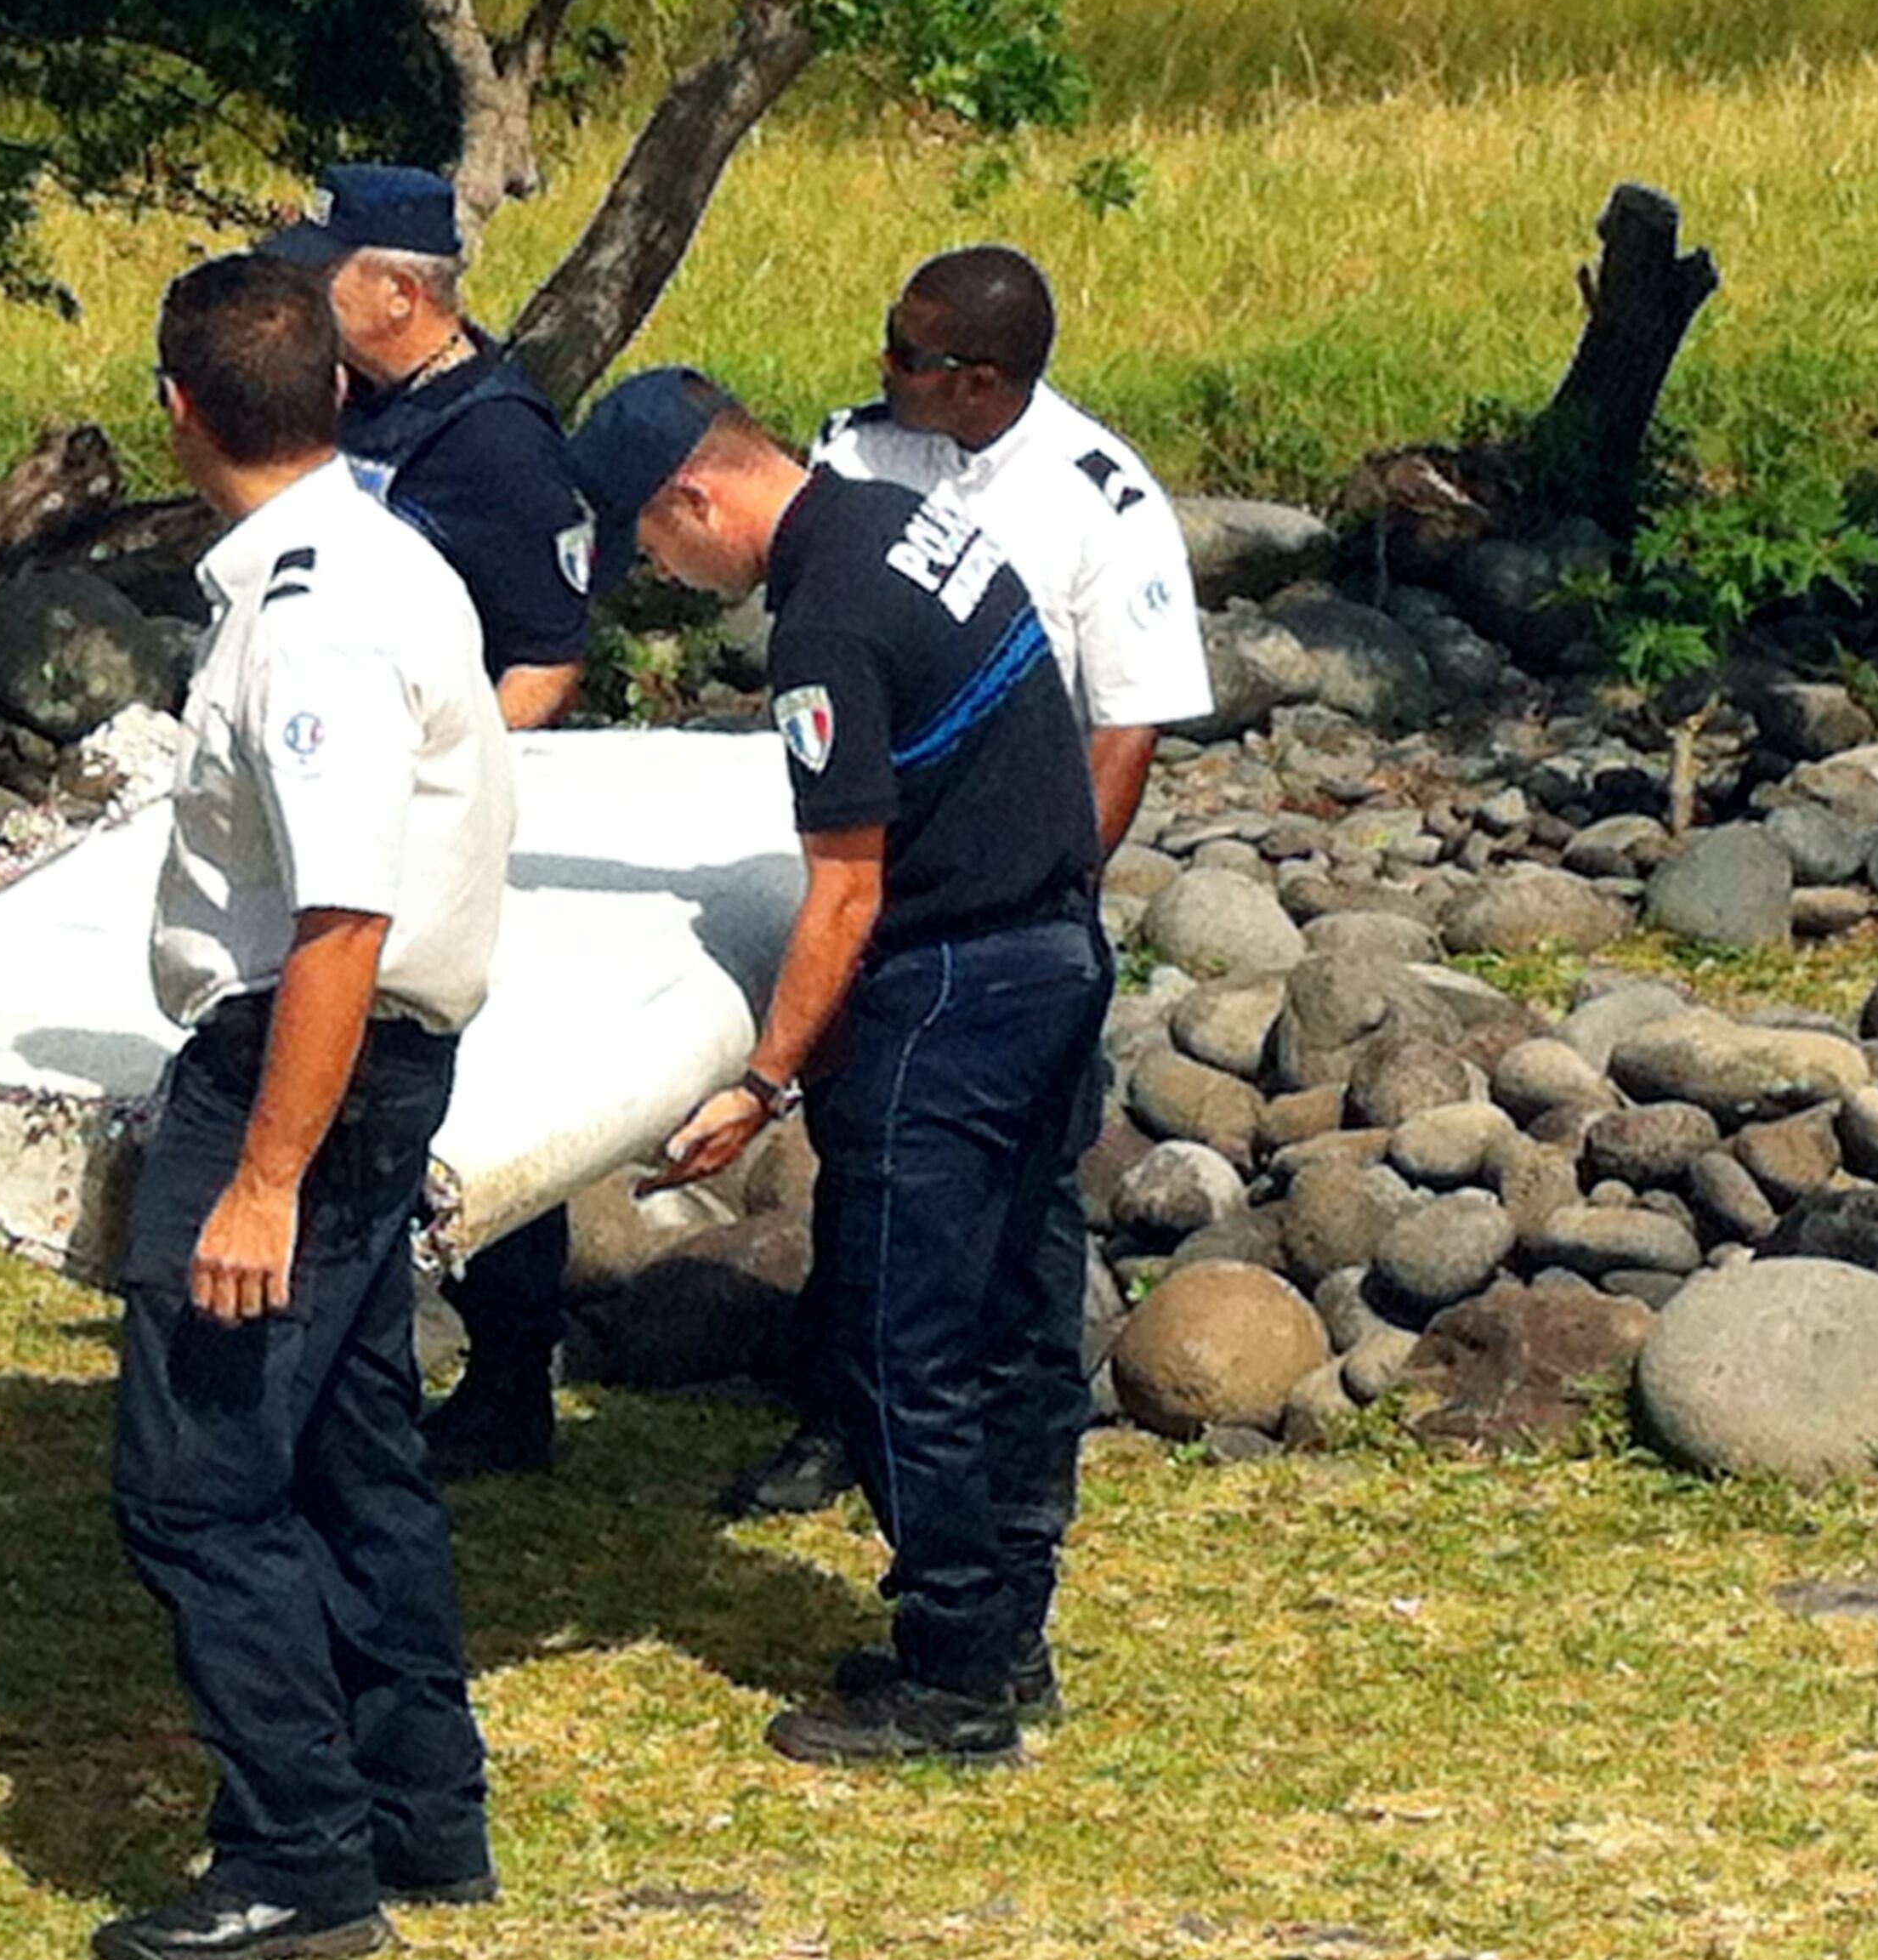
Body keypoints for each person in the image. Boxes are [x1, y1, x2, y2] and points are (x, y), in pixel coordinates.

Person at [560, 366, 1112, 1768]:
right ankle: (1006, 1628)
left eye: (652, 548)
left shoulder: (824, 621)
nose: (662, 579)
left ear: (696, 495)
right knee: (1012, 1308)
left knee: (893, 1336)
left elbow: (846, 893)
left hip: (947, 994)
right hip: (1056, 949)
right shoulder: (898, 521)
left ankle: (957, 1675)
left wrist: (762, 1080)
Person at [97, 254, 513, 1960]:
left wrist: (262, 1173)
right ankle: (421, 1801)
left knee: (197, 1479)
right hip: (359, 1060)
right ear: (340, 391)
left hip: (301, 1068)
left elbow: (340, 910)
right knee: (349, 1450)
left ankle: (297, 1851)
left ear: (179, 413)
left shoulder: (313, 611)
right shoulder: (383, 554)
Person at [720, 245, 1211, 1517]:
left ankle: (1027, 1446)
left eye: (908, 351)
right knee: (864, 1157)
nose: (879, 366)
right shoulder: (858, 450)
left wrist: (1042, 888)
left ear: (982, 379)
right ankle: (841, 1415)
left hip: (1006, 892)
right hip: (877, 864)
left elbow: (1126, 724)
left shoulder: (1098, 499)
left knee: (1024, 1193)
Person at [261, 162, 593, 1481]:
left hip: (443, 818)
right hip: (346, 787)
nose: (302, 297)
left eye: (323, 275)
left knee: (470, 1087)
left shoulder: (498, 436)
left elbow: (550, 654)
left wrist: (451, 779)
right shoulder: (361, 413)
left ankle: (510, 1378)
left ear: (399, 293)